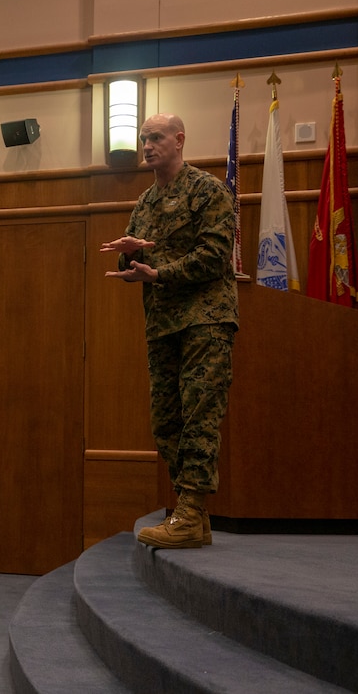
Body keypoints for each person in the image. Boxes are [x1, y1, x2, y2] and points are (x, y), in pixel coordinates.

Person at [99, 113, 238, 549]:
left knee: (200, 416)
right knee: (166, 423)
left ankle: (191, 512)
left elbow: (215, 256)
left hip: (205, 319)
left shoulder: (208, 190)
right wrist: (127, 257)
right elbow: (136, 259)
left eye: (156, 138)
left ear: (179, 140)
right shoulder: (145, 202)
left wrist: (158, 273)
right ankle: (191, 513)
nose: (147, 146)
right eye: (143, 139)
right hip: (162, 326)